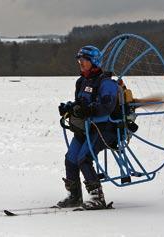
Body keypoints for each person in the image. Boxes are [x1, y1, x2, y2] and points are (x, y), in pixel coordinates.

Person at [57, 45, 118, 210]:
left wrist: (90, 109)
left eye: (84, 60)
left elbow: (107, 106)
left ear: (94, 62)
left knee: (83, 158)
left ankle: (98, 198)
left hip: (104, 129)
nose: (81, 63)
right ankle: (75, 197)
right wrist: (70, 107)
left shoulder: (107, 83)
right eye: (79, 60)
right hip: (86, 128)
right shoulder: (82, 81)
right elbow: (80, 102)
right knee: (71, 159)